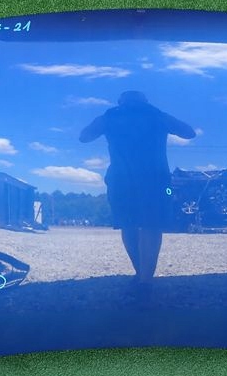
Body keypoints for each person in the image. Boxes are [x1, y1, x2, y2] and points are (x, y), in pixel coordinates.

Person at [80, 91, 196, 282]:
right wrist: (158, 116)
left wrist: (107, 120)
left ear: (120, 102)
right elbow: (189, 132)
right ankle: (145, 278)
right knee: (152, 225)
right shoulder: (157, 116)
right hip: (155, 178)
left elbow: (84, 137)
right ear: (145, 102)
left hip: (121, 178)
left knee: (128, 224)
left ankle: (140, 273)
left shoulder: (109, 117)